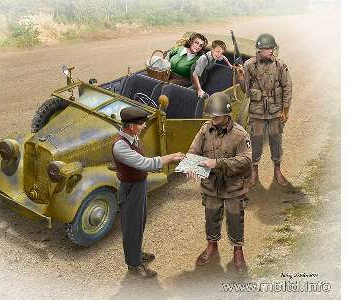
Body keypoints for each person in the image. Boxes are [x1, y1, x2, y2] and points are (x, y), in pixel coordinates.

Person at [112, 107, 184, 278]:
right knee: (131, 227)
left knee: (139, 222)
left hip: (139, 184)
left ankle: (136, 252)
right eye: (141, 124)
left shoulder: (132, 136)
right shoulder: (120, 146)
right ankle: (134, 265)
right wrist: (172, 157)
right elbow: (147, 164)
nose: (144, 126)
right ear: (131, 127)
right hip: (130, 189)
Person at [186, 92, 252, 273]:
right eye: (211, 115)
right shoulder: (205, 130)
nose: (213, 118)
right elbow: (194, 150)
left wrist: (217, 163)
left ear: (227, 114)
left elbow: (246, 161)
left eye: (217, 115)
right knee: (211, 217)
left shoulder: (240, 134)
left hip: (233, 187)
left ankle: (238, 251)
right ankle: (211, 246)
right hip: (211, 185)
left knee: (235, 219)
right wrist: (191, 165)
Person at [236, 33, 292, 186]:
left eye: (272, 48)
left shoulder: (280, 65)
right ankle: (254, 172)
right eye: (267, 48)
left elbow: (287, 87)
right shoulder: (249, 65)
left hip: (275, 110)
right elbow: (246, 91)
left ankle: (277, 170)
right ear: (259, 49)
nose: (270, 51)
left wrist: (285, 110)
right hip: (257, 111)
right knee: (255, 141)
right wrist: (241, 77)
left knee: (276, 140)